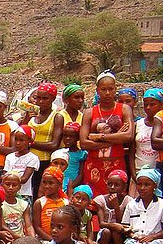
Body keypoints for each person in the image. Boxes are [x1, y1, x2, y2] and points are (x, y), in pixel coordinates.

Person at [80, 71, 135, 199]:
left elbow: (128, 136)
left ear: (116, 89)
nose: (107, 93)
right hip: (94, 165)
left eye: (111, 89)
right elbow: (84, 143)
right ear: (97, 90)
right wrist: (117, 138)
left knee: (115, 202)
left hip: (116, 165)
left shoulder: (124, 109)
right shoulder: (89, 113)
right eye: (103, 89)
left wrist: (99, 137)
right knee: (92, 203)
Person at [121, 168, 163, 244]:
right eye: (139, 184)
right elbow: (125, 226)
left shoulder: (161, 204)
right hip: (136, 239)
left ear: (154, 186)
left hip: (155, 239)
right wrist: (134, 236)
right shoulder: (132, 204)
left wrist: (152, 237)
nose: (142, 188)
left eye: (147, 185)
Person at [93, 170, 132, 244]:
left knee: (116, 233)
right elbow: (101, 223)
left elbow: (123, 223)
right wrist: (113, 225)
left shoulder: (128, 201)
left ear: (124, 186)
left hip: (121, 235)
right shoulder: (100, 200)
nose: (112, 187)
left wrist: (116, 206)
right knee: (107, 232)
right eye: (110, 184)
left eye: (116, 185)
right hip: (104, 234)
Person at [129, 89, 163, 196]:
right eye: (146, 104)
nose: (148, 108)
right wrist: (134, 174)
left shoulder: (161, 125)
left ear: (161, 105)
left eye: (152, 104)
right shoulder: (138, 124)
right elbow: (131, 151)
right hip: (139, 172)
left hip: (157, 172)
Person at [2, 125, 39, 203]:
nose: (17, 143)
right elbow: (4, 176)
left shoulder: (33, 158)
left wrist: (8, 180)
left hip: (24, 194)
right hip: (9, 195)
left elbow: (24, 179)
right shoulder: (9, 157)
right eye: (16, 139)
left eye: (21, 140)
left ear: (29, 141)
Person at [32, 166, 69, 241]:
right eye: (44, 182)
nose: (46, 186)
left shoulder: (65, 202)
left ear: (59, 184)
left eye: (50, 183)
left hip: (63, 240)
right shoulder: (39, 203)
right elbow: (37, 227)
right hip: (45, 240)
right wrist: (52, 240)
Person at [1, 171, 35, 238]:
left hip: (20, 239)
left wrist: (32, 238)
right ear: (2, 185)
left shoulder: (23, 204)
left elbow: (28, 226)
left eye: (14, 185)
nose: (10, 187)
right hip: (5, 238)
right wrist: (19, 238)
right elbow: (2, 226)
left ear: (19, 186)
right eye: (7, 184)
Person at [59, 123, 87, 197]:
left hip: (73, 186)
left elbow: (81, 175)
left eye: (71, 136)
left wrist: (70, 187)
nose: (67, 138)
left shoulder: (81, 154)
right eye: (65, 136)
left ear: (78, 138)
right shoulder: (59, 152)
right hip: (59, 185)